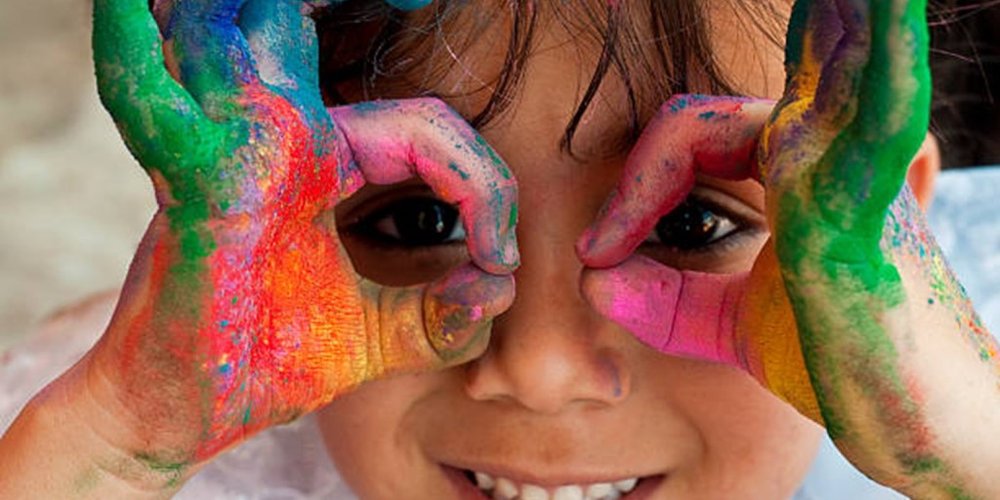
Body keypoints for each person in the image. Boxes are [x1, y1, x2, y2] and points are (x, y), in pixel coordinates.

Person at [0, 0, 997, 498]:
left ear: (904, 243)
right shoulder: (150, 437)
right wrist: (110, 447)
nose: (539, 372)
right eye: (417, 222)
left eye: (693, 224)